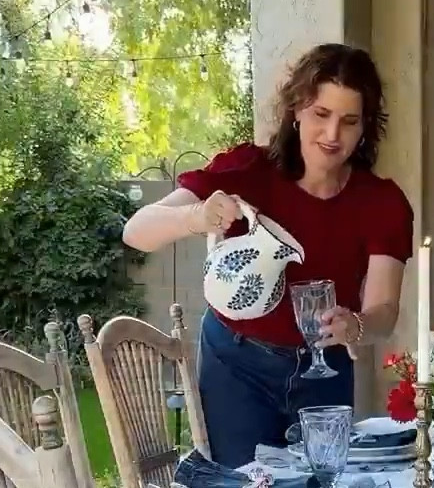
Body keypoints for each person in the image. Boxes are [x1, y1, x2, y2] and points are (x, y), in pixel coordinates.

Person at [122, 43, 413, 465]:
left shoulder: (382, 203)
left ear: (366, 126)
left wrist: (358, 325)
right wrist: (199, 215)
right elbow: (137, 232)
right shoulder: (250, 170)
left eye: (349, 121)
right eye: (320, 114)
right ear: (296, 109)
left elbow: (384, 310)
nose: (332, 135)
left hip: (324, 368)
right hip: (237, 365)